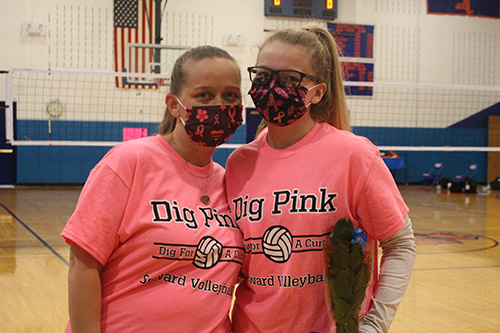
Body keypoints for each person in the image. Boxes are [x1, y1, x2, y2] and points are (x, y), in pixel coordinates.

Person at [225, 24, 416, 333]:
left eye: (289, 79)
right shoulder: (239, 163)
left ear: (317, 92)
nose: (272, 87)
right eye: (263, 76)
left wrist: (376, 325)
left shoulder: (354, 155)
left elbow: (400, 243)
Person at [61, 45, 245, 332]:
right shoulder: (130, 161)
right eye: (204, 95)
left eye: (230, 95)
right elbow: (83, 265)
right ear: (174, 104)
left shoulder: (231, 182)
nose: (217, 105)